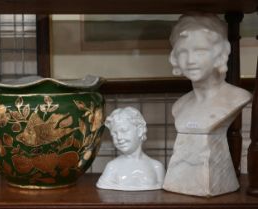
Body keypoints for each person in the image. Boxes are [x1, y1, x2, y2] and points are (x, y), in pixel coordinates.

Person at [163, 13, 252, 196]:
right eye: (183, 52)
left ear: (219, 54)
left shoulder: (236, 98)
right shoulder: (180, 106)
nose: (190, 60)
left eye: (200, 51)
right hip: (177, 187)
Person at [96, 107, 164, 191]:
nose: (119, 137)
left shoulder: (156, 167)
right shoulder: (112, 167)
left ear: (139, 131)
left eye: (124, 130)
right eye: (114, 134)